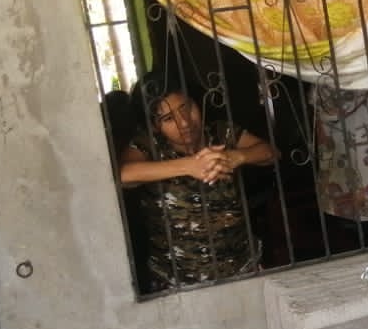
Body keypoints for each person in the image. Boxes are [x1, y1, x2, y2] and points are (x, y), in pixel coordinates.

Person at [119, 75, 277, 292]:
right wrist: (190, 165)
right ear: (154, 127)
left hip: (242, 267)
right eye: (168, 118)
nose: (185, 122)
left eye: (186, 107)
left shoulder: (221, 133)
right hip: (176, 281)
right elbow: (122, 175)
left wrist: (236, 156)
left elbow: (270, 153)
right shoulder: (148, 145)